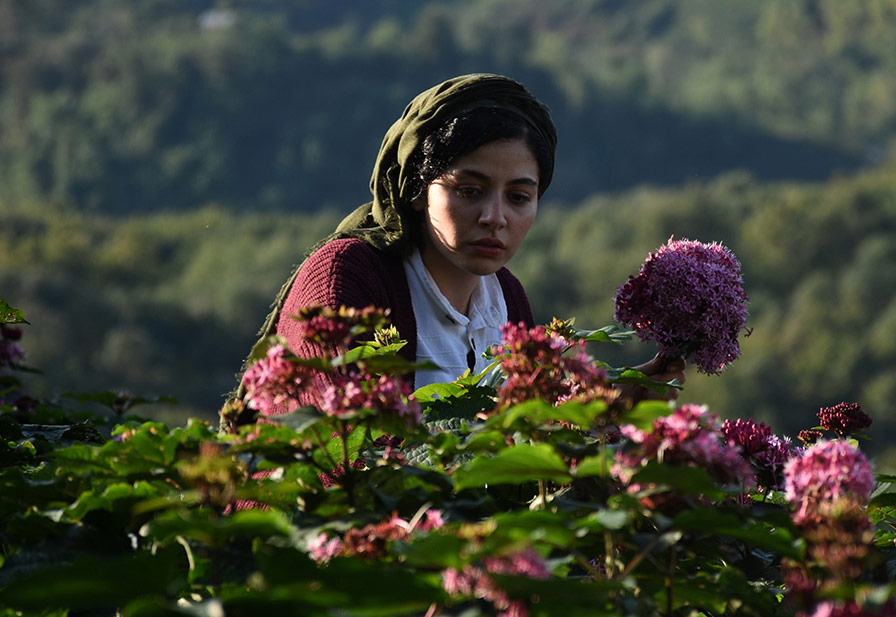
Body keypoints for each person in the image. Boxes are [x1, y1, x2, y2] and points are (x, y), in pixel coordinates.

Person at [223, 73, 682, 427]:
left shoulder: (507, 300)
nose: (495, 217)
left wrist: (618, 402)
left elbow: (528, 444)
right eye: (469, 190)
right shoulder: (349, 276)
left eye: (519, 197)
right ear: (419, 189)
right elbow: (343, 446)